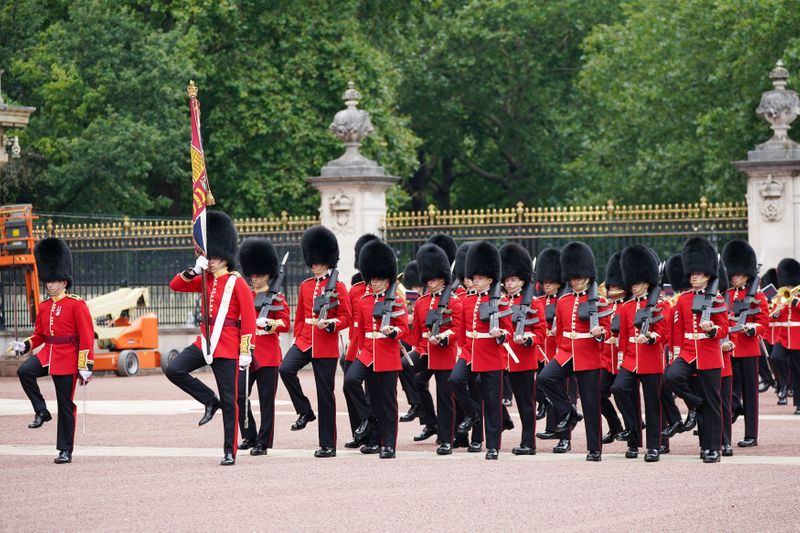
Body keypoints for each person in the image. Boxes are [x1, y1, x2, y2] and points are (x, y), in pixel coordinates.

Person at [165, 210, 256, 466]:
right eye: (207, 256)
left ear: (225, 257)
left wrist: (246, 349)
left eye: (214, 256)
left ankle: (229, 450)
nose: (210, 260)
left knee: (231, 400)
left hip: (227, 345)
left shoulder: (236, 283)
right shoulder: (204, 279)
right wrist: (193, 271)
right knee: (175, 370)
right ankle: (208, 399)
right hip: (205, 341)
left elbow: (248, 318)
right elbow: (175, 285)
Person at [12, 238, 94, 464]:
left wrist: (85, 365)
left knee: (65, 405)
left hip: (68, 357)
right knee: (25, 371)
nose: (49, 285)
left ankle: (65, 450)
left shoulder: (77, 304)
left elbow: (87, 336)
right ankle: (41, 411)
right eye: (47, 281)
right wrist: (26, 345)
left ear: (64, 282)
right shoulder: (44, 306)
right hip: (47, 353)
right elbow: (40, 334)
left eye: (54, 281)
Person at [279, 225, 351, 458]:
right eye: (313, 259)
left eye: (319, 260)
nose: (315, 264)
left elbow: (347, 317)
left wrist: (331, 325)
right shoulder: (305, 286)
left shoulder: (338, 286)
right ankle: (305, 410)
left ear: (327, 259)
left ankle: (328, 444)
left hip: (326, 343)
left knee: (325, 394)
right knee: (286, 369)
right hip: (305, 341)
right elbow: (299, 317)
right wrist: (298, 338)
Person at [537, 241, 609, 461]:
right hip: (567, 352)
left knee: (590, 403)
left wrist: (599, 333)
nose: (577, 281)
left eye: (580, 277)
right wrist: (560, 351)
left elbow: (606, 332)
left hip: (589, 355)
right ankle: (568, 411)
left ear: (588, 276)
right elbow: (560, 333)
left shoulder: (601, 301)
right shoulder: (564, 301)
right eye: (574, 277)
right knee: (545, 377)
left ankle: (594, 448)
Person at [664, 237, 728, 463]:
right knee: (671, 377)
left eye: (698, 274)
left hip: (709, 353)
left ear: (708, 275)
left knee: (713, 402)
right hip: (689, 352)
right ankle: (694, 402)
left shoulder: (717, 298)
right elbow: (678, 331)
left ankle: (712, 448)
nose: (693, 277)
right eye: (692, 273)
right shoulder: (683, 300)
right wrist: (676, 356)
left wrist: (712, 331)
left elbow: (724, 328)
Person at [346, 239, 409, 458]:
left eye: (379, 279)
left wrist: (393, 333)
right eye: (372, 278)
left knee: (387, 401)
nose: (375, 282)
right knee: (350, 380)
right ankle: (369, 418)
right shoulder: (363, 300)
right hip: (367, 352)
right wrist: (360, 351)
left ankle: (388, 444)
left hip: (387, 354)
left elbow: (404, 330)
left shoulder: (397, 302)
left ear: (387, 279)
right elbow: (362, 331)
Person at [454, 241, 513, 460]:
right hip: (470, 352)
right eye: (474, 277)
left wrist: (501, 335)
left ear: (489, 279)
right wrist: (462, 349)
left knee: (492, 401)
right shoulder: (468, 300)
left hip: (491, 354)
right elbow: (462, 330)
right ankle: (473, 413)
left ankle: (493, 446)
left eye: (479, 278)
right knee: (455, 380)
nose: (475, 281)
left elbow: (509, 330)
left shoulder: (501, 300)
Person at [611, 245, 671, 462]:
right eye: (632, 283)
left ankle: (654, 447)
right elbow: (625, 337)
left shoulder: (659, 304)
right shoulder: (626, 307)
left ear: (646, 282)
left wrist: (652, 338)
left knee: (652, 404)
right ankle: (634, 433)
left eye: (637, 283)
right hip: (630, 360)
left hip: (651, 359)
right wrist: (621, 359)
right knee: (618, 389)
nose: (633, 287)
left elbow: (664, 333)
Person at [405, 243, 462, 454]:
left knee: (445, 397)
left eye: (434, 278)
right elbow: (417, 334)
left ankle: (447, 438)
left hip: (445, 352)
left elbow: (457, 329)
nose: (430, 282)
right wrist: (417, 349)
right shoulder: (421, 303)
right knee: (404, 367)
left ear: (442, 278)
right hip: (425, 351)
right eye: (428, 279)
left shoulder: (454, 302)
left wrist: (445, 338)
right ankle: (423, 412)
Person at [235, 237, 290, 456]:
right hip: (246, 353)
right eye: (253, 274)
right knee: (239, 395)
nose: (254, 278)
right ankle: (249, 435)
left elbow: (286, 323)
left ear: (268, 274)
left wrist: (269, 324)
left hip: (268, 355)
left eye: (259, 274)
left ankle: (263, 442)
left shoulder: (277, 297)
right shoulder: (245, 295)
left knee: (267, 401)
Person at [500, 243, 546, 455]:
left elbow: (541, 331)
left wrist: (528, 339)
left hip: (523, 358)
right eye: (507, 280)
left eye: (513, 280)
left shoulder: (533, 303)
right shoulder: (499, 302)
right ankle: (503, 420)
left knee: (525, 403)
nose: (509, 284)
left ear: (522, 280)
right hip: (501, 357)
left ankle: (529, 443)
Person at [343, 233, 379, 448]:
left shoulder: (385, 293)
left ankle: (375, 437)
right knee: (350, 387)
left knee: (374, 392)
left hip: (373, 347)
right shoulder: (355, 290)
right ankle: (360, 430)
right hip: (354, 346)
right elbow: (349, 318)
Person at [599, 252, 626, 444]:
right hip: (607, 358)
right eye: (612, 285)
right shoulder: (605, 305)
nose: (613, 288)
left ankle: (633, 426)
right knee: (597, 392)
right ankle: (615, 425)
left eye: (617, 285)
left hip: (625, 357)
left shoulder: (631, 305)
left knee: (621, 391)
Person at [772, 257, 800, 414]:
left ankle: (799, 405)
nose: (788, 287)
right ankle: (783, 384)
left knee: (798, 371)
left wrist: (794, 300)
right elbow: (774, 317)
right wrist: (776, 312)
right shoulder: (781, 296)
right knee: (775, 358)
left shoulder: (797, 296)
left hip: (797, 338)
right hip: (782, 337)